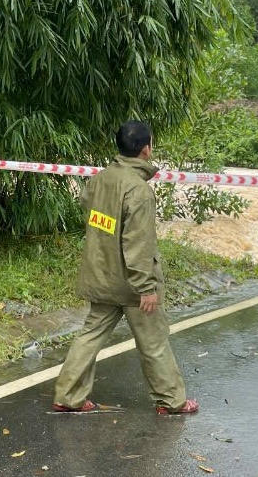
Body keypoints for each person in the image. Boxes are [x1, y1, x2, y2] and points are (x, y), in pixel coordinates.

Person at [53, 121, 198, 415]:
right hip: (132, 284)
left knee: (90, 335)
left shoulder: (101, 179)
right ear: (146, 149)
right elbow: (138, 243)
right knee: (153, 340)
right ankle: (171, 401)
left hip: (102, 274)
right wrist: (146, 287)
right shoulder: (139, 190)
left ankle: (68, 396)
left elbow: (89, 210)